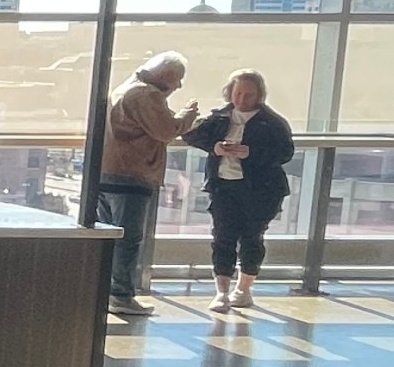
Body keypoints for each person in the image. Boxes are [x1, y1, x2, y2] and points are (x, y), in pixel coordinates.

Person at [96, 51, 199, 318]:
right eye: (178, 80)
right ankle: (121, 294)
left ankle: (105, 290)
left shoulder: (125, 88)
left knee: (109, 237)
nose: (178, 86)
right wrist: (188, 117)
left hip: (108, 173)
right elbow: (166, 130)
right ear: (167, 76)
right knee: (128, 239)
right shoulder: (146, 95)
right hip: (131, 173)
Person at [183, 68, 294, 314]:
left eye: (249, 94)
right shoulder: (221, 117)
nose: (243, 99)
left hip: (261, 190)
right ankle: (221, 292)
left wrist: (251, 153)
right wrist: (216, 147)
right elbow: (190, 135)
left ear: (259, 95)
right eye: (238, 93)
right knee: (222, 237)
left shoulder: (272, 122)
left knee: (252, 238)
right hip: (224, 186)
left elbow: (285, 153)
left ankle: (243, 289)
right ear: (230, 93)